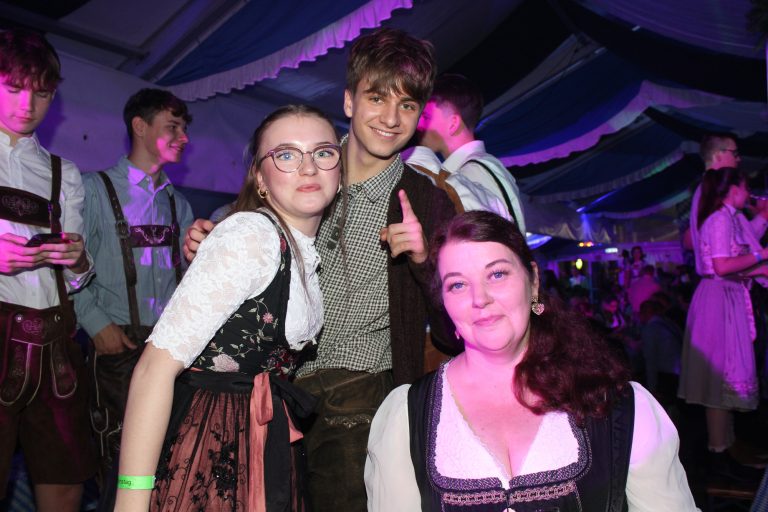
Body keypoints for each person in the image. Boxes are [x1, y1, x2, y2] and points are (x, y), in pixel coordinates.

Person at [184, 28, 455, 510]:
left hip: (360, 389)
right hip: (275, 385)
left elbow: (455, 327)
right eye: (377, 98)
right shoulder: (304, 169)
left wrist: (423, 262)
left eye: (407, 105)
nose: (391, 118)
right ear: (349, 101)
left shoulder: (428, 201)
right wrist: (209, 243)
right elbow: (248, 224)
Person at [365, 211, 698, 511]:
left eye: (497, 274)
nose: (480, 298)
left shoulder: (619, 405)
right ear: (444, 302)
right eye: (458, 284)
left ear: (533, 280)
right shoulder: (408, 417)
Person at [114, 105, 342, 511]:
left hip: (261, 436)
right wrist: (130, 500)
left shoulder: (299, 247)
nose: (308, 167)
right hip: (208, 444)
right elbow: (153, 369)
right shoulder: (250, 234)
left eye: (323, 152)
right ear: (261, 178)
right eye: (286, 155)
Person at [73, 88, 194, 509]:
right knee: (116, 462)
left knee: (166, 462)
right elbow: (67, 265)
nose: (183, 137)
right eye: (173, 126)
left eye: (184, 128)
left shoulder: (179, 204)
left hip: (166, 350)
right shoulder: (93, 189)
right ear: (140, 127)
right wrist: (96, 326)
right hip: (116, 346)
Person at [0, 29, 96, 511]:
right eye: (14, 87)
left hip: (55, 338)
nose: (27, 104)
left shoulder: (65, 173)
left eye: (40, 93)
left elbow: (78, 273)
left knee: (64, 479)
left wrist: (77, 258)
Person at [678, 167, 768, 479]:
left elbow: (729, 265)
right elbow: (720, 265)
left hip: (727, 296)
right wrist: (762, 256)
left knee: (726, 378)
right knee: (719, 378)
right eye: (745, 188)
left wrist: (758, 269)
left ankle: (726, 448)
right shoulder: (719, 219)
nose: (749, 194)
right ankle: (718, 454)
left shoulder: (729, 218)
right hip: (718, 300)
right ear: (733, 190)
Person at [409, 73, 525, 232]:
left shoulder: (473, 171)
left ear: (453, 124)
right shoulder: (481, 166)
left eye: (426, 116)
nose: (419, 124)